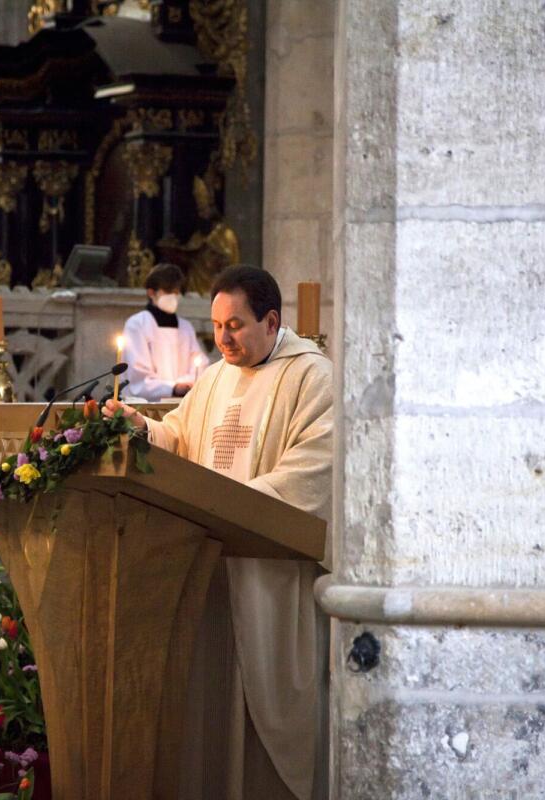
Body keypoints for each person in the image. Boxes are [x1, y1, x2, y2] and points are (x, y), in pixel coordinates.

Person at [105, 265, 332, 800]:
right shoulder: (213, 378)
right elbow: (179, 438)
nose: (222, 338)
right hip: (210, 570)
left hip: (268, 577)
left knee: (261, 732)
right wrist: (142, 429)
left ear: (271, 322)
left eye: (235, 325)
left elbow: (315, 471)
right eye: (216, 326)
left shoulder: (312, 377)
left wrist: (233, 507)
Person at [121, 263, 207, 400]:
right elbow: (138, 376)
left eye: (177, 292)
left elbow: (200, 366)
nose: (174, 296)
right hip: (146, 404)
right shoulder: (137, 324)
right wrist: (172, 388)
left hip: (181, 402)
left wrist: (187, 383)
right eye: (168, 291)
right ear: (151, 293)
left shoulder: (185, 327)